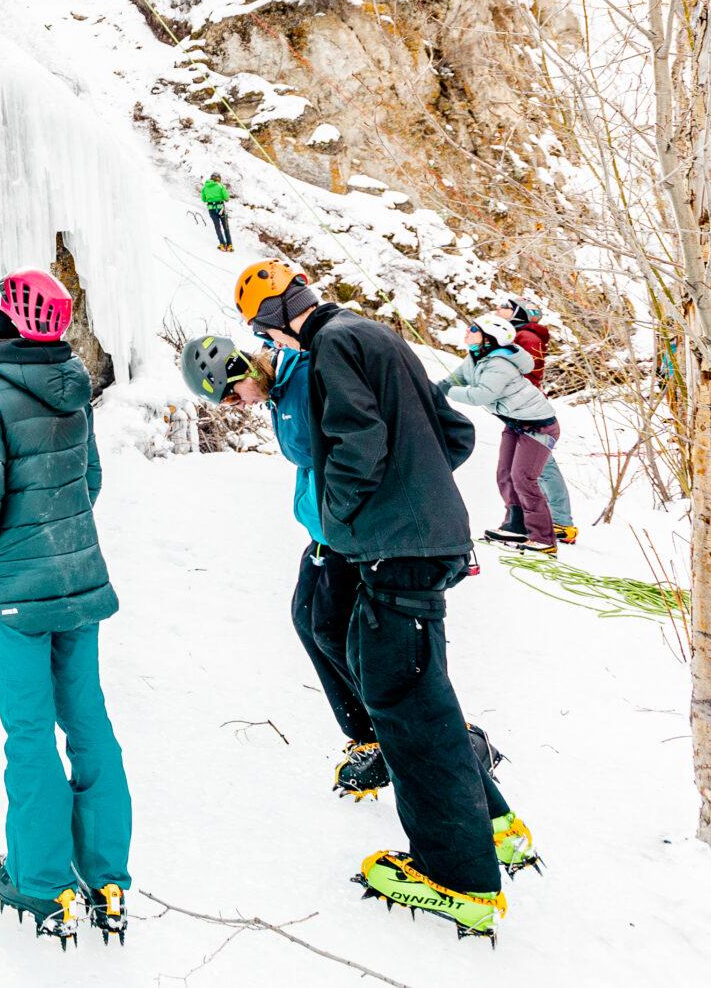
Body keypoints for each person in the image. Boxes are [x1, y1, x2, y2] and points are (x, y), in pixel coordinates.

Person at [234, 260, 538, 939]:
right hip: (424, 539)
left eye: (265, 332)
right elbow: (453, 435)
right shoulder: (375, 335)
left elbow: (358, 440)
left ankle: (460, 879)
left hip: (395, 547)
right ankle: (493, 824)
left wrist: (346, 517)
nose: (273, 345)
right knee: (413, 692)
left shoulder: (330, 345)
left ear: (274, 319)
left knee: (405, 705)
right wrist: (414, 487)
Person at [0, 270, 131, 948]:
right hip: (77, 586)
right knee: (88, 723)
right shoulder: (72, 391)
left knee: (28, 733)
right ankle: (107, 878)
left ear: (8, 321)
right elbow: (90, 482)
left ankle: (42, 881)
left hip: (17, 598)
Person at [181, 333, 374, 793]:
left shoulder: (304, 378)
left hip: (349, 530)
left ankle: (382, 734)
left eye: (231, 394)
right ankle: (364, 734)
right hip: (323, 530)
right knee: (306, 619)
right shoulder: (279, 391)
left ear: (240, 369)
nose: (235, 404)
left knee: (332, 629)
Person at [441, 315, 562, 555]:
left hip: (538, 426)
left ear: (489, 338)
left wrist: (450, 391)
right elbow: (453, 379)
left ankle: (543, 538)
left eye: (474, 329)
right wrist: (430, 391)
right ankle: (516, 525)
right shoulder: (475, 359)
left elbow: (481, 395)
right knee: (505, 474)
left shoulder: (499, 364)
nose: (467, 331)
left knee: (523, 477)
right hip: (514, 423)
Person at [505, 298, 576, 542]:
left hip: (528, 411)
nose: (499, 309)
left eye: (506, 306)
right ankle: (552, 519)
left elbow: (524, 371)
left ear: (519, 314)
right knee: (539, 467)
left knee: (543, 467)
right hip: (521, 408)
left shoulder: (527, 338)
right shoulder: (521, 335)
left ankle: (561, 522)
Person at [199, 174, 234, 252]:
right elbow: (226, 197)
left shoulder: (205, 187)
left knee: (217, 227)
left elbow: (204, 199)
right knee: (226, 227)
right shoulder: (220, 186)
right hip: (221, 208)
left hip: (211, 210)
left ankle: (222, 244)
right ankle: (229, 245)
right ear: (218, 179)